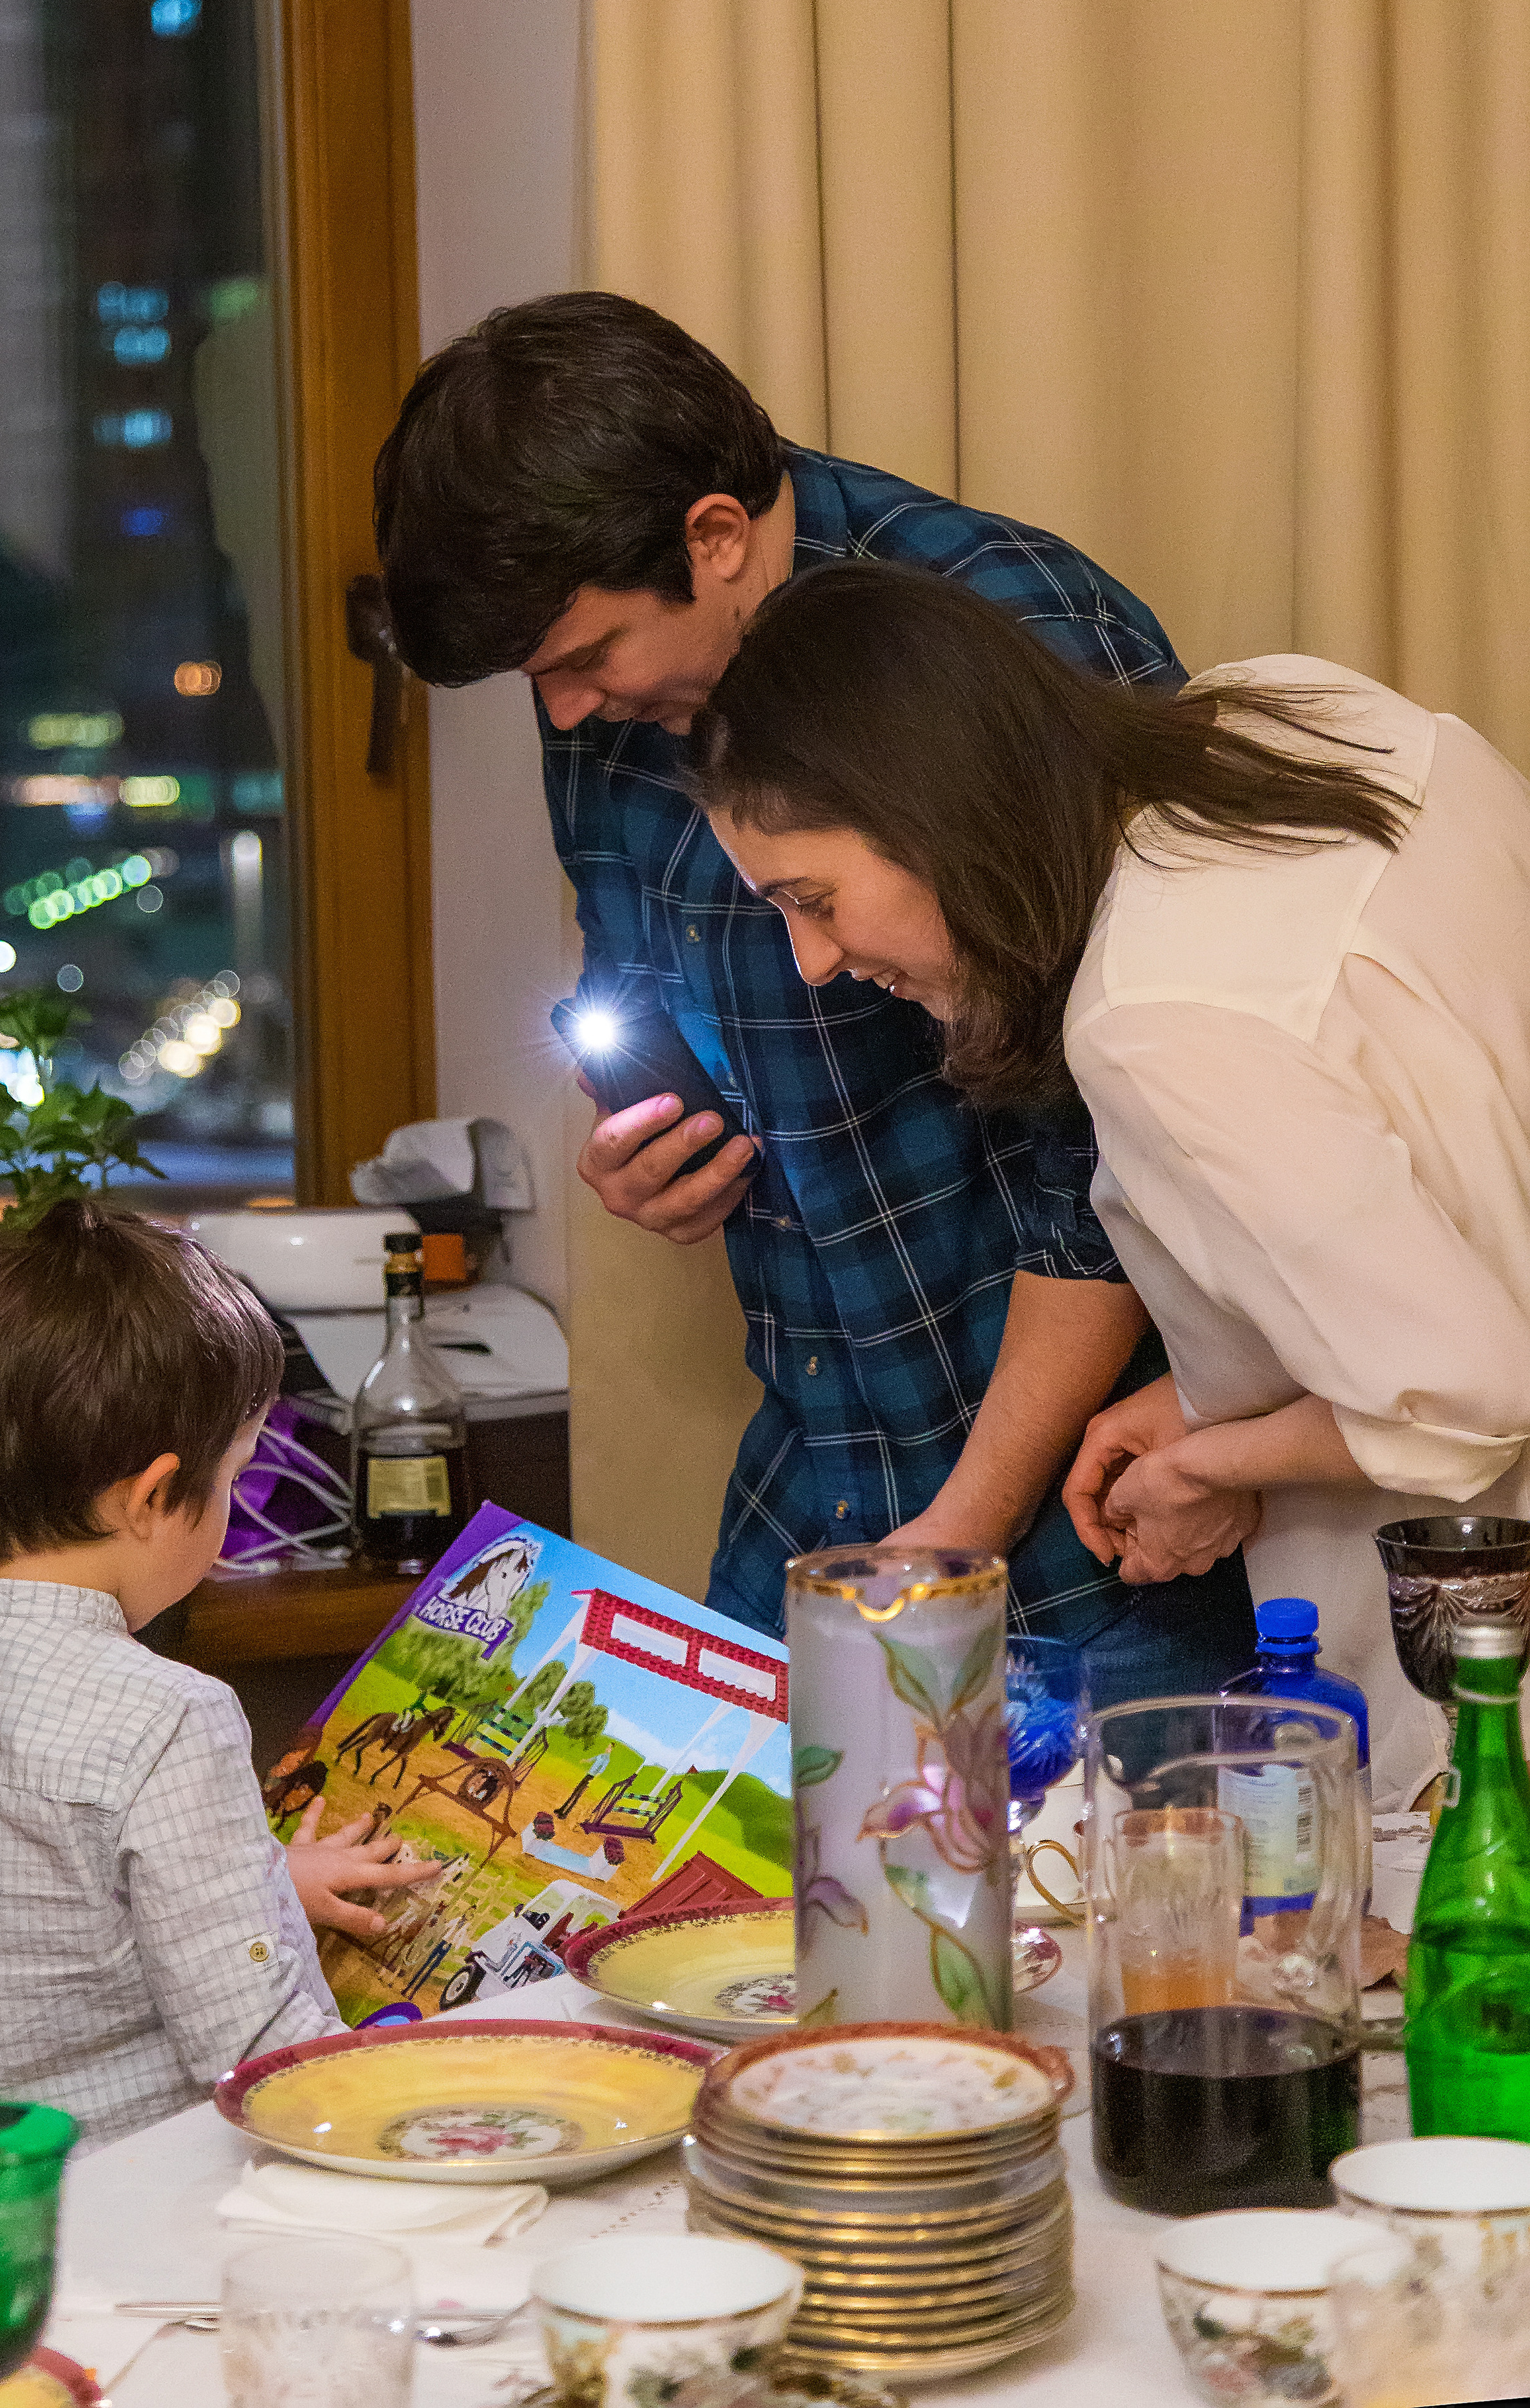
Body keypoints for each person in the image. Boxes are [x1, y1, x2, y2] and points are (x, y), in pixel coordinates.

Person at [374, 291, 1256, 1694]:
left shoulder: (1010, 627)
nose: (564, 711)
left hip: (1090, 1516)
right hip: (818, 1461)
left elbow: (1116, 1163)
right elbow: (635, 982)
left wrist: (953, 1540)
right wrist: (651, 1153)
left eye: (584, 657)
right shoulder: (610, 696)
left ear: (716, 537)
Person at [686, 560, 1530, 1805]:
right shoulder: (1288, 711)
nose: (812, 960)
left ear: (932, 812)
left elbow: (1465, 1395)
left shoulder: (1148, 1018)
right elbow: (1433, 1185)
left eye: (813, 900)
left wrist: (1213, 1466)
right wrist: (1198, 1406)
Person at [0, 1201, 439, 2144]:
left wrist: (265, 1882)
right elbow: (262, 2059)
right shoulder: (172, 1715)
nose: (235, 1502)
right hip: (162, 2191)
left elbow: (54, 1911)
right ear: (150, 1497)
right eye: (235, 1475)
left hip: (21, 2184)